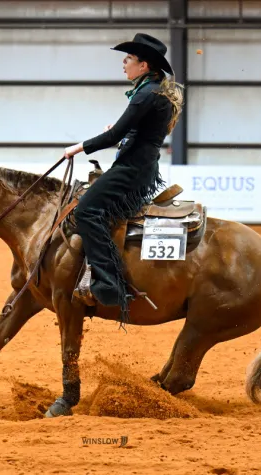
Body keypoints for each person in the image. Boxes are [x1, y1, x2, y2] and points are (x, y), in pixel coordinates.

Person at [63, 33, 184, 324]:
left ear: (143, 65)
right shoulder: (151, 92)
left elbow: (115, 135)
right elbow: (138, 133)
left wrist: (78, 147)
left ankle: (108, 283)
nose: (123, 63)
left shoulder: (146, 94)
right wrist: (124, 133)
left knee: (85, 211)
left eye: (128, 58)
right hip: (139, 167)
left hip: (132, 170)